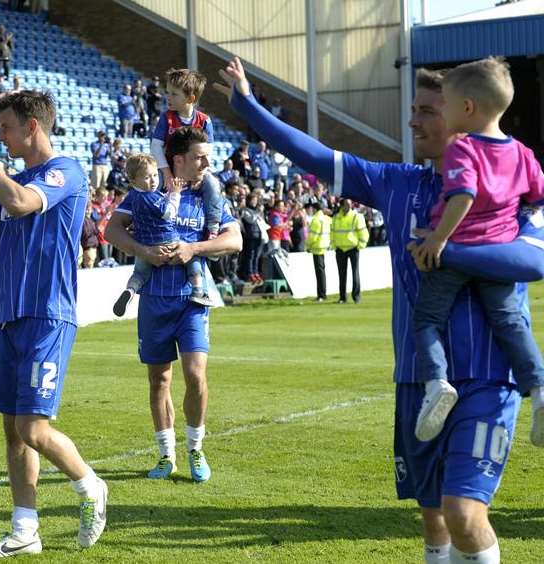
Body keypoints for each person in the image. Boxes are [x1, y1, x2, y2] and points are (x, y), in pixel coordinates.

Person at [215, 55, 542, 564]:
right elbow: (315, 156)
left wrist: (445, 249)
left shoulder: (510, 187)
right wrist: (249, 107)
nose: (414, 120)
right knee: (432, 514)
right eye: (413, 109)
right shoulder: (396, 183)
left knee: (464, 512)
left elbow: (531, 260)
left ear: (463, 113)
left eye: (428, 110)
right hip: (418, 377)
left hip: (487, 375)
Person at [0, 90, 107, 557]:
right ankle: (25, 531)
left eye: (4, 126)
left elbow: (21, 203)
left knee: (33, 430)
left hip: (47, 315)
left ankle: (90, 485)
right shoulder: (11, 178)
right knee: (12, 431)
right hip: (11, 318)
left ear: (32, 127)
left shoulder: (67, 171)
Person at [409, 58, 544, 446]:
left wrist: (438, 240)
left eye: (446, 104)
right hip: (500, 255)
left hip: (459, 249)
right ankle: (537, 389)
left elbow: (463, 196)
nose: (444, 112)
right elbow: (536, 197)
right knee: (510, 324)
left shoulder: (463, 149)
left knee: (428, 319)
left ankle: (437, 383)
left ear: (467, 108)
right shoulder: (522, 152)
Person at [105, 126, 242, 482]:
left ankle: (196, 449)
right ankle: (166, 456)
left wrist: (193, 248)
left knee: (195, 375)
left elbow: (235, 239)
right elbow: (112, 230)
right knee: (159, 380)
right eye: (199, 158)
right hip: (154, 299)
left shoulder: (207, 195)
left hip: (192, 300)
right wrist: (143, 251)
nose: (206, 164)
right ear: (178, 160)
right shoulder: (146, 191)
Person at [113, 152, 214, 316]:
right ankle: (198, 290)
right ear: (133, 180)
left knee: (139, 274)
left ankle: (130, 291)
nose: (153, 181)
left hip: (145, 245)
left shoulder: (132, 196)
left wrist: (166, 195)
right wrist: (175, 193)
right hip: (168, 241)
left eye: (154, 175)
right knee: (192, 256)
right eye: (147, 177)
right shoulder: (151, 196)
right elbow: (169, 213)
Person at [150, 68, 223, 238]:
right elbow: (155, 147)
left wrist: (200, 174)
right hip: (168, 168)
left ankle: (213, 226)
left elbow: (208, 151)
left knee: (213, 184)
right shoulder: (166, 117)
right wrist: (167, 173)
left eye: (174, 94)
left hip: (195, 169)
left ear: (191, 98)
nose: (168, 97)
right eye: (168, 92)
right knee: (152, 184)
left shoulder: (204, 120)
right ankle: (147, 221)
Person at [331, 198, 367, 303]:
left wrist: (360, 245)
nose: (348, 206)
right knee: (341, 274)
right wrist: (334, 245)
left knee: (355, 273)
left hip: (353, 248)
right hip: (340, 249)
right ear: (341, 205)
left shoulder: (356, 216)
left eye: (349, 204)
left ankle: (356, 297)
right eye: (346, 204)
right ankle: (342, 297)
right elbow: (332, 232)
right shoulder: (336, 218)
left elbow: (363, 232)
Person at [305, 201, 330, 301]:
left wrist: (308, 245)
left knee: (319, 273)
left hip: (317, 247)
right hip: (324, 246)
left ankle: (321, 295)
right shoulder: (325, 218)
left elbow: (313, 236)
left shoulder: (316, 219)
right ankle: (322, 294)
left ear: (314, 209)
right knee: (321, 271)